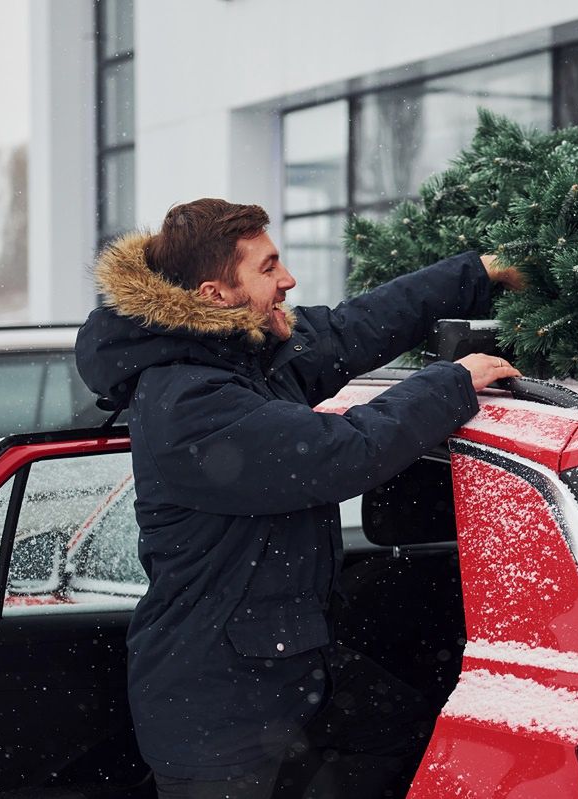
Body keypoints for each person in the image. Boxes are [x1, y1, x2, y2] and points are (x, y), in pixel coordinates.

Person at [74, 198, 521, 798]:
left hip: (288, 662)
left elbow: (350, 327)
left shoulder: (243, 352)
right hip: (215, 702)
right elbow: (341, 452)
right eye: (268, 268)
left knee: (403, 736)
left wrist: (480, 272)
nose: (287, 280)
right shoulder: (190, 402)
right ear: (215, 295)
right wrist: (452, 382)